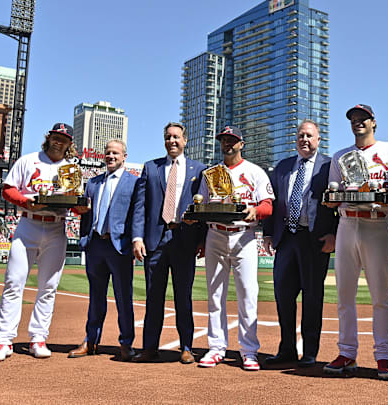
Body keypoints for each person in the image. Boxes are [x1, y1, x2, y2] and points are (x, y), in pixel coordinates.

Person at [0, 123, 86, 362]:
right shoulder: (28, 160)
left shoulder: (71, 169)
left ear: (69, 143)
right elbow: (8, 190)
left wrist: (80, 206)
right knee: (13, 282)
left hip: (56, 226)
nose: (58, 142)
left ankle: (38, 338)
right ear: (48, 138)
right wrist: (29, 204)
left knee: (49, 287)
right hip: (28, 224)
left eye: (63, 139)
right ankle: (4, 341)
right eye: (55, 137)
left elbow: (75, 202)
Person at [321, 104, 388, 380]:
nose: (358, 123)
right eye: (354, 119)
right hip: (347, 223)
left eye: (363, 119)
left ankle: (383, 356)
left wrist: (385, 196)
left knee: (381, 295)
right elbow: (333, 194)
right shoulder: (341, 156)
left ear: (374, 122)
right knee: (345, 295)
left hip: (377, 223)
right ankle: (347, 352)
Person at [197, 125, 274, 371]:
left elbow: (268, 205)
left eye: (232, 140)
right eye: (224, 140)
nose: (227, 143)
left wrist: (257, 211)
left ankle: (249, 351)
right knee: (215, 295)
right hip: (215, 235)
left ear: (242, 144)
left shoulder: (254, 171)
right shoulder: (210, 174)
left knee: (248, 296)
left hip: (244, 236)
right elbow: (201, 206)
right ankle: (216, 347)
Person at [262, 119, 337, 368]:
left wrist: (334, 234)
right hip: (286, 239)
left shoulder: (329, 166)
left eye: (309, 136)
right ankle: (286, 349)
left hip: (314, 239)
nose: (304, 139)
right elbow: (272, 203)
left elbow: (340, 202)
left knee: (312, 297)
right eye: (301, 135)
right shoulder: (283, 167)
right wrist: (268, 233)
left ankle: (310, 352)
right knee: (283, 297)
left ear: (318, 140)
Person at [130, 123, 206, 364]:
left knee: (183, 297)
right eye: (168, 137)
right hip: (155, 239)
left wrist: (202, 239)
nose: (172, 141)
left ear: (185, 140)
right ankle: (149, 347)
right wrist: (137, 237)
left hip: (184, 239)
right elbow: (140, 205)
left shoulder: (200, 170)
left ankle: (186, 347)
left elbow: (202, 208)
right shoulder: (150, 168)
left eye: (176, 137)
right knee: (154, 297)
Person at [68, 139, 140, 362]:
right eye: (108, 153)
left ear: (124, 156)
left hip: (119, 247)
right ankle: (91, 341)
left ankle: (126, 343)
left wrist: (134, 240)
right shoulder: (93, 183)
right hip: (96, 244)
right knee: (95, 298)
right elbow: (85, 214)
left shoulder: (134, 183)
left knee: (123, 298)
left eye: (115, 153)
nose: (111, 156)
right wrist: (84, 239)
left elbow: (137, 215)